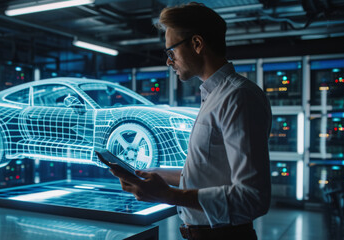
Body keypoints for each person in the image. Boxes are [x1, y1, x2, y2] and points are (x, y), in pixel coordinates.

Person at [109, 2, 272, 240]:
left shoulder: (238, 97)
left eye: (171, 51)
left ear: (196, 44)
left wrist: (169, 196)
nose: (168, 61)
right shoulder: (215, 96)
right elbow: (210, 173)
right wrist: (154, 174)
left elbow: (253, 198)